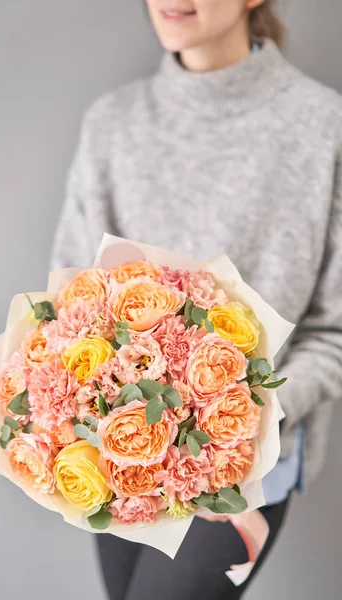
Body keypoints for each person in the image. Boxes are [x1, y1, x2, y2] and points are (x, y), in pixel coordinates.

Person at [50, 1, 342, 598]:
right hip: (119, 458)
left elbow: (333, 328)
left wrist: (252, 416)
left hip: (246, 465)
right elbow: (69, 295)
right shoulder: (112, 125)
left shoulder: (323, 127)